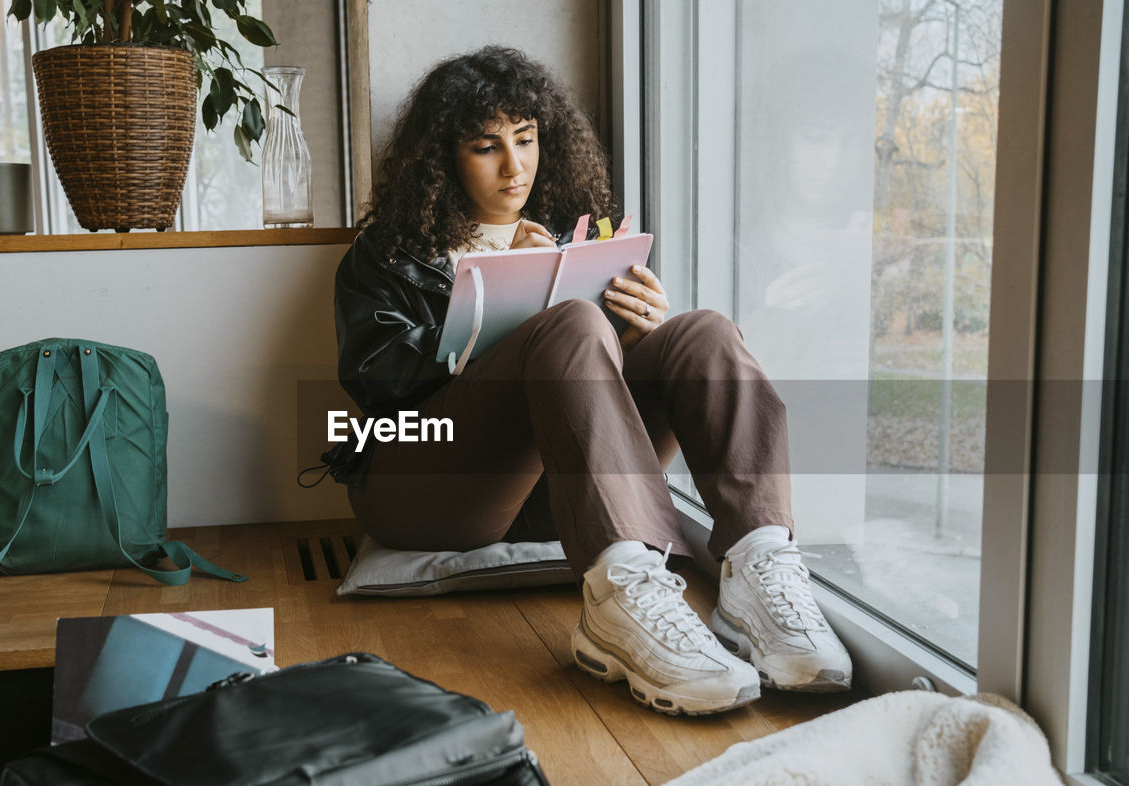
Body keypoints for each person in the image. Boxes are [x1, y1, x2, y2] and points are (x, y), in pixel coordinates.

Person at [325, 46, 851, 715]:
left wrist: (635, 333)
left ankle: (760, 566)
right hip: (426, 480)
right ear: (443, 158)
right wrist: (507, 323)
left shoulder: (569, 239)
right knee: (569, 322)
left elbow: (597, 382)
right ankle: (618, 600)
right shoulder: (389, 255)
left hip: (559, 488)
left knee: (703, 332)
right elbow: (377, 382)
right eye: (487, 147)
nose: (515, 167)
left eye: (526, 140)